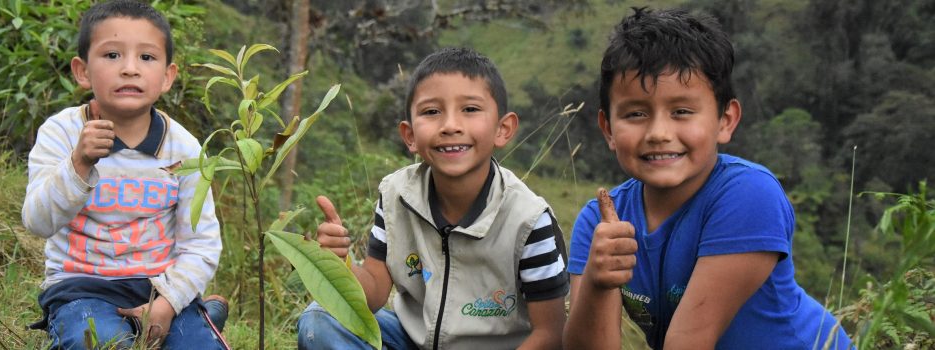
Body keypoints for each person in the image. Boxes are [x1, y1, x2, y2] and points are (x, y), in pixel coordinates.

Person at [564, 7, 853, 350]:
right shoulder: (599, 222)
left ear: (725, 120)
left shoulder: (749, 195)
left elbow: (688, 342)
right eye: (636, 114)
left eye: (682, 112)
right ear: (608, 129)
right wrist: (598, 283)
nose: (659, 133)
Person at [297, 47, 570, 349]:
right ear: (410, 135)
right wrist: (340, 262)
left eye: (470, 109)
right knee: (319, 320)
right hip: (414, 340)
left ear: (502, 129)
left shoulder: (528, 221)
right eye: (431, 112)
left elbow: (549, 334)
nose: (450, 125)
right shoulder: (396, 197)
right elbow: (373, 294)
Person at [22, 0, 228, 348]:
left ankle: (200, 314)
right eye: (112, 55)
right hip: (81, 288)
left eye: (146, 57)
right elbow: (37, 222)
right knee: (104, 343)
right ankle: (204, 313)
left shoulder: (186, 149)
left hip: (160, 288)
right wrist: (79, 163)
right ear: (83, 71)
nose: (130, 69)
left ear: (167, 76)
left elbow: (202, 245)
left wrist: (167, 304)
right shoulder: (61, 133)